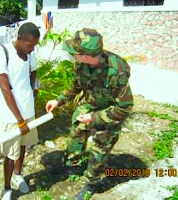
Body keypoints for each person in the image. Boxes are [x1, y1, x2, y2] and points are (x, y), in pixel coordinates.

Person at [45, 28, 134, 200]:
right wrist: (59, 100)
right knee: (76, 132)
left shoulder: (116, 70)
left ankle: (91, 183)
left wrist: (94, 118)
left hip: (110, 111)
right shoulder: (80, 64)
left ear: (85, 55)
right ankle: (72, 166)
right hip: (90, 104)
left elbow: (124, 107)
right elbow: (75, 86)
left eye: (74, 52)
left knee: (99, 149)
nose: (71, 54)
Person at [0, 22, 40, 200]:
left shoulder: (29, 53)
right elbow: (5, 89)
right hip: (10, 115)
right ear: (19, 39)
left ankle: (18, 176)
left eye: (35, 45)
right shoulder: (1, 53)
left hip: (27, 111)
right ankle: (6, 188)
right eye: (30, 45)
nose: (32, 49)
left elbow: (33, 71)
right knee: (10, 154)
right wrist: (19, 119)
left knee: (22, 146)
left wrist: (34, 88)